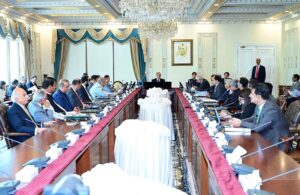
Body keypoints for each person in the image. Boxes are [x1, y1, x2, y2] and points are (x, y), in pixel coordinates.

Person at [229, 83, 289, 150]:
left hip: (275, 142)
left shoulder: (271, 109)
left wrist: (241, 123)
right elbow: (253, 118)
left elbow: (259, 127)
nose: (249, 95)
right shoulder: (260, 104)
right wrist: (238, 121)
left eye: (252, 93)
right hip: (263, 136)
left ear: (259, 96)